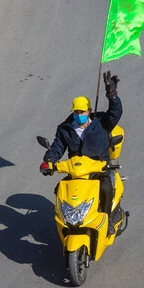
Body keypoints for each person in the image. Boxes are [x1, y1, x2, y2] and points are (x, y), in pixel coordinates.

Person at [40, 71, 122, 234]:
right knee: (60, 190)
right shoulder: (65, 128)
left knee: (106, 189)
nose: (79, 115)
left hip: (99, 170)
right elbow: (57, 148)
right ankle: (66, 221)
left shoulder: (101, 122)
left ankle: (107, 221)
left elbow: (116, 113)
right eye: (76, 112)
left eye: (82, 112)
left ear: (89, 111)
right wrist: (49, 161)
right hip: (77, 171)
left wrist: (111, 94)